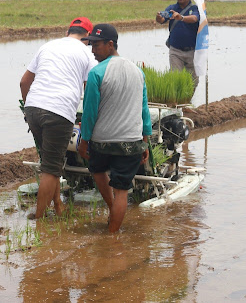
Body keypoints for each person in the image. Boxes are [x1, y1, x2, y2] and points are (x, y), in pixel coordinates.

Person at [20, 17, 98, 219]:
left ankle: (58, 206)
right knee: (52, 169)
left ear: (67, 32)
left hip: (33, 107)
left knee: (50, 162)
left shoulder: (47, 46)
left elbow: (24, 82)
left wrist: (29, 110)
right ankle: (39, 219)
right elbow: (89, 92)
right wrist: (87, 122)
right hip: (58, 112)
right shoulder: (87, 54)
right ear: (87, 39)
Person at [77, 24, 152, 233]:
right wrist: (145, 141)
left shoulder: (96, 74)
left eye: (97, 45)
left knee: (98, 170)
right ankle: (113, 234)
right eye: (91, 45)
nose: (93, 50)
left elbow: (89, 113)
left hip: (102, 142)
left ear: (110, 44)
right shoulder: (138, 72)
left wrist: (84, 141)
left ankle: (112, 224)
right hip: (130, 142)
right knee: (121, 191)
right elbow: (143, 109)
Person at [156, 0, 200, 86]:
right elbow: (162, 19)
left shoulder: (195, 9)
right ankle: (178, 101)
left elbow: (194, 18)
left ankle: (188, 100)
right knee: (175, 80)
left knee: (193, 81)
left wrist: (181, 18)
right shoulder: (172, 8)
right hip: (175, 51)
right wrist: (158, 18)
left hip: (192, 51)